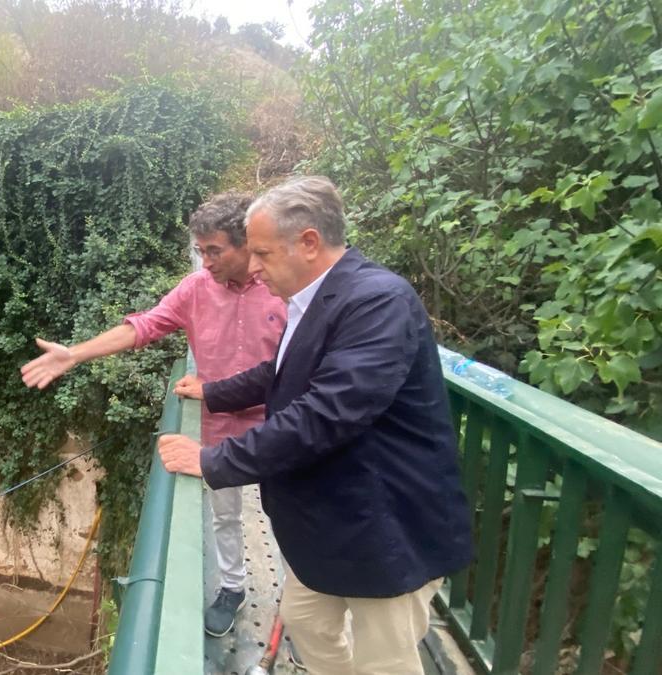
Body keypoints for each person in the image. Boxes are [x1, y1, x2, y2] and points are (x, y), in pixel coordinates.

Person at [159, 176, 473, 674]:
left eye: (263, 253)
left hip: (385, 524)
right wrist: (215, 392)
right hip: (331, 522)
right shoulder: (317, 297)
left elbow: (326, 413)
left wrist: (212, 459)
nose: (254, 268)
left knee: (385, 661)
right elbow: (281, 372)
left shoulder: (377, 301)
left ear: (309, 242)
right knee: (305, 622)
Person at [20, 192, 287, 637]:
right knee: (224, 513)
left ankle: (293, 610)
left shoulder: (283, 287)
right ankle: (233, 588)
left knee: (287, 514)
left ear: (246, 244)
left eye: (215, 251)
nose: (205, 263)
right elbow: (143, 325)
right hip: (219, 422)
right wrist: (75, 355)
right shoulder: (197, 289)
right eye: (200, 251)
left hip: (280, 425)